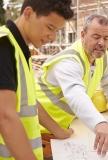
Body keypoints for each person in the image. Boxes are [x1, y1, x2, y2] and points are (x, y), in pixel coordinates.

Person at [35, 14, 108, 157]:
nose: (102, 43)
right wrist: (99, 124)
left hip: (67, 128)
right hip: (43, 131)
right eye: (96, 37)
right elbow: (76, 95)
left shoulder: (100, 55)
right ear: (83, 35)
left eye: (106, 38)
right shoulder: (69, 61)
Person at [0, 0, 74, 159]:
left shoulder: (19, 49)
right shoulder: (4, 46)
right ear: (28, 14)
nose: (53, 37)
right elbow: (5, 117)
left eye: (57, 30)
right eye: (50, 27)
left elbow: (29, 101)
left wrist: (58, 132)